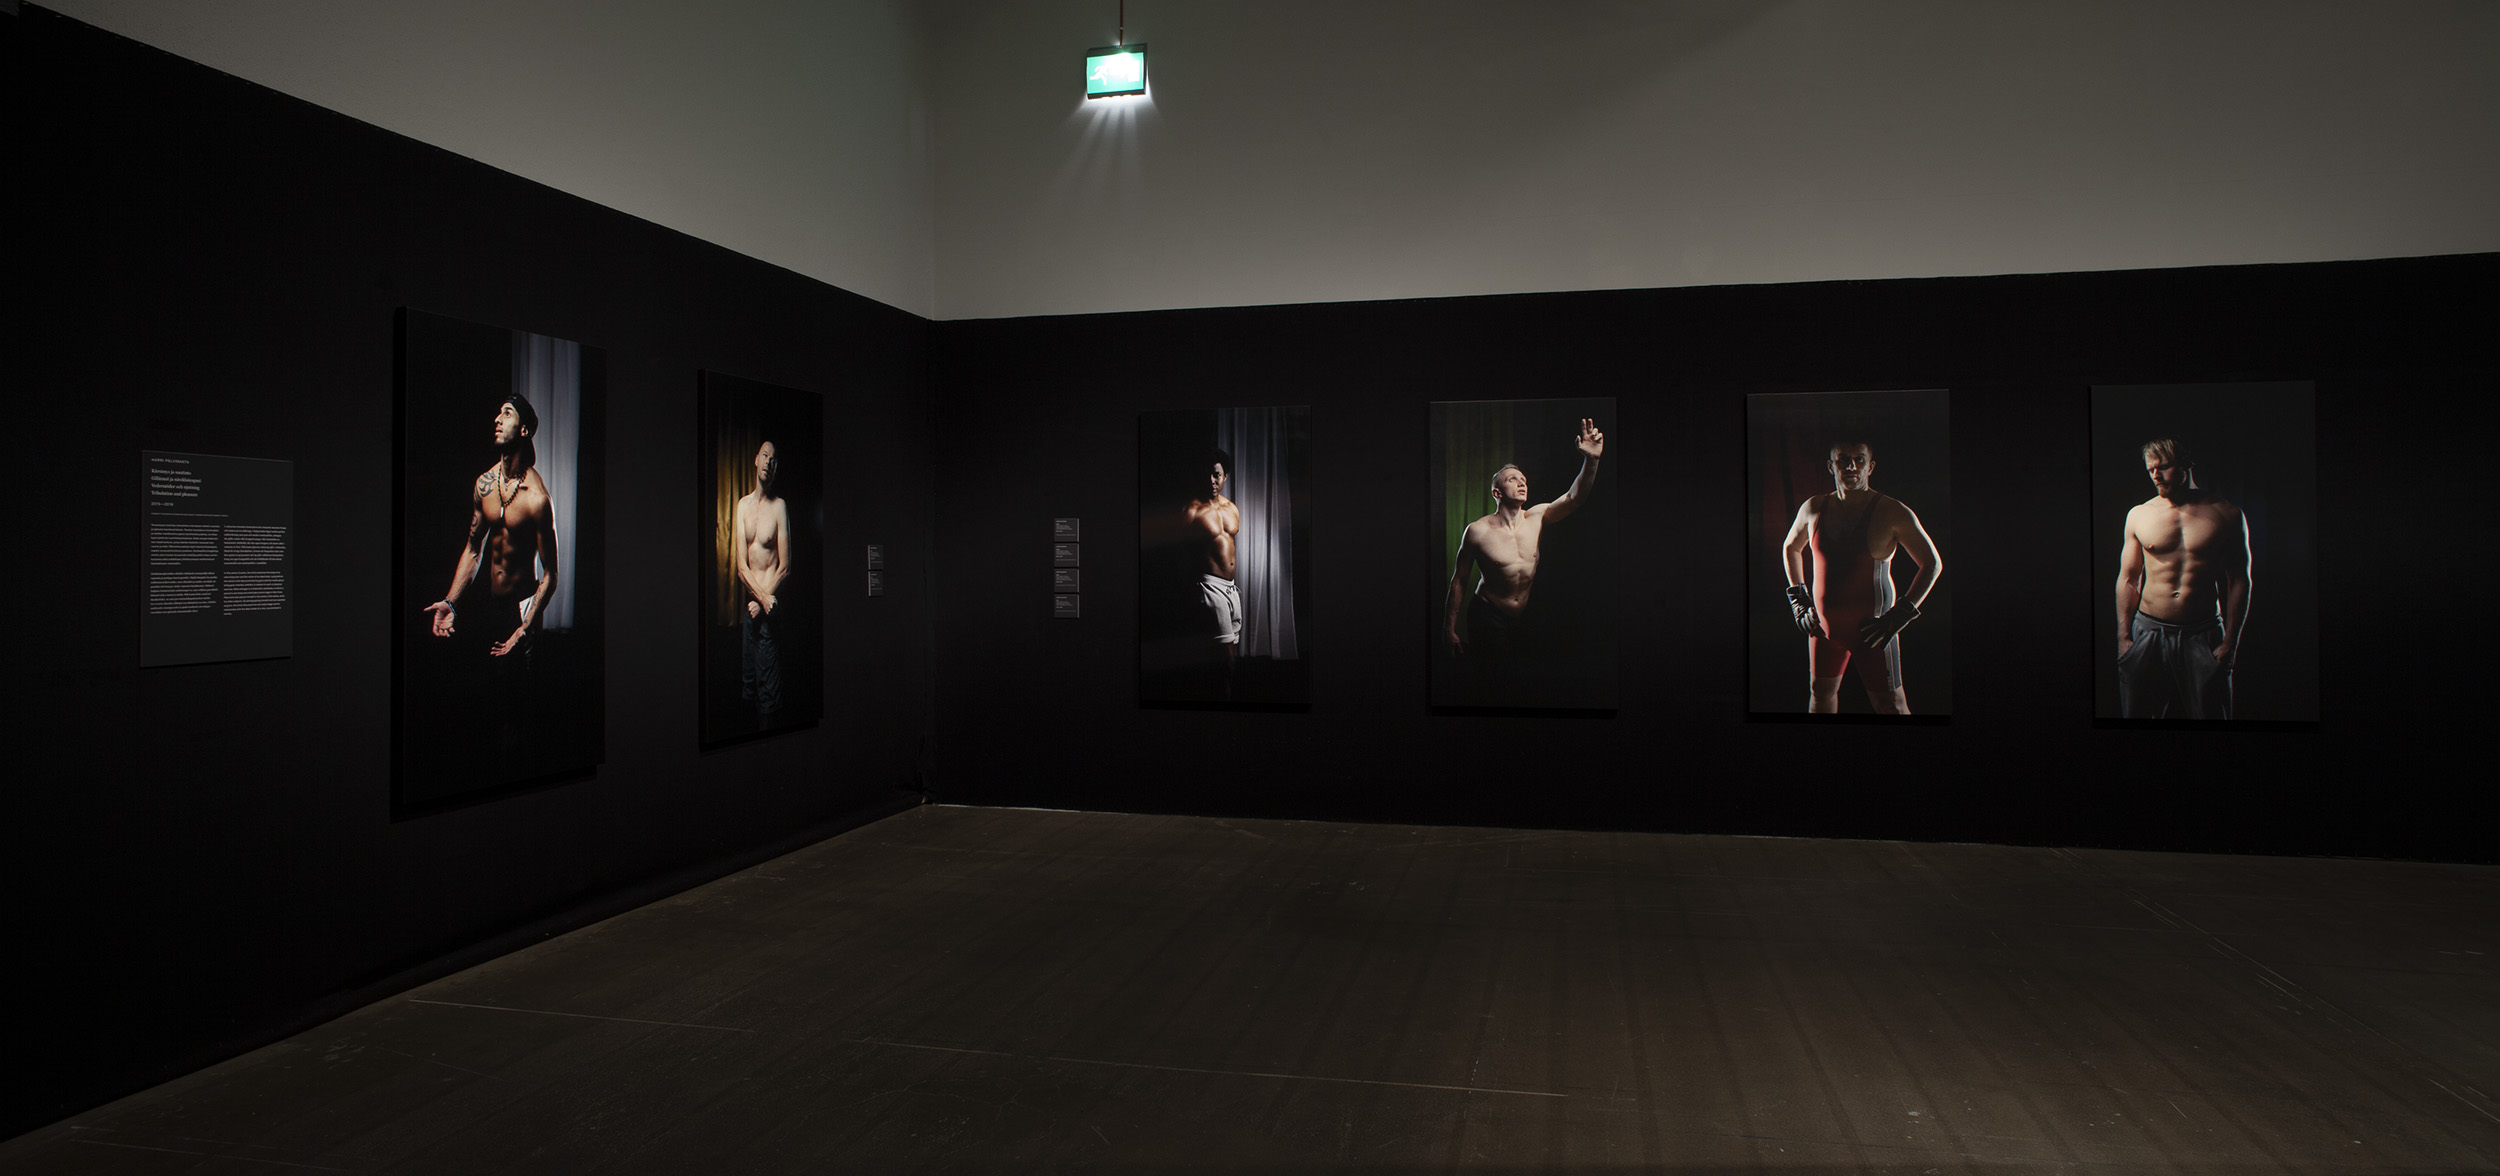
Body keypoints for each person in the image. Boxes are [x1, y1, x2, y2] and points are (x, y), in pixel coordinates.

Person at [421, 394, 560, 754]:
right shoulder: (484, 484)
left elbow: (551, 574)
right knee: (487, 701)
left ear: (524, 429)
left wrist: (525, 627)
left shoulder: (536, 499)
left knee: (520, 707)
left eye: (507, 414)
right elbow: (473, 549)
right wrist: (451, 601)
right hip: (490, 605)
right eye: (498, 413)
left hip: (521, 609)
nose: (497, 419)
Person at [1778, 441, 1942, 714]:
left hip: (1874, 633)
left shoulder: (1892, 511)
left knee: (1891, 704)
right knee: (1820, 694)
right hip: (1824, 629)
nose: (1851, 466)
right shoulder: (1814, 507)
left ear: (1870, 466)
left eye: (1859, 459)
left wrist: (1901, 614)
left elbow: (1932, 563)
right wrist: (1799, 599)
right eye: (1843, 459)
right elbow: (1791, 547)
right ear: (1831, 466)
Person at [1444, 419, 1605, 677]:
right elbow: (1459, 580)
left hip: (1525, 615)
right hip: (1488, 614)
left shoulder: (1536, 517)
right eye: (1513, 479)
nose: (1522, 483)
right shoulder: (1478, 531)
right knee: (1490, 680)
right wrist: (1449, 628)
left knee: (1526, 679)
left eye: (1524, 480)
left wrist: (1592, 460)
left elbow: (1574, 498)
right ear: (1497, 493)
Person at [2115, 437, 2248, 719]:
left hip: (2203, 633)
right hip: (2148, 632)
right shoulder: (2139, 515)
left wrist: (2231, 642)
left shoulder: (2226, 514)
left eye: (2163, 467)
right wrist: (2123, 637)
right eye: (2150, 469)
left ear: (2186, 464)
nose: (2155, 475)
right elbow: (2128, 578)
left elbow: (2239, 580)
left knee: (2213, 717)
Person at [735, 440, 794, 728]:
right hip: (751, 611)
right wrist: (760, 598)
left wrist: (765, 601)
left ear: (776, 467)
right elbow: (740, 566)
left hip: (770, 613)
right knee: (750, 689)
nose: (769, 463)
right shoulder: (742, 506)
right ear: (756, 459)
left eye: (774, 460)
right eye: (765, 456)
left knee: (769, 695)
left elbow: (785, 568)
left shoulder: (779, 507)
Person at [1186, 448, 1242, 695]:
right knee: (1227, 658)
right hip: (1210, 587)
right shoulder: (1192, 511)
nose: (1212, 480)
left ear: (1225, 477)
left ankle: (1222, 697)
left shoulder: (1232, 508)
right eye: (1208, 474)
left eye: (1217, 475)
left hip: (1232, 589)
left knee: (1228, 655)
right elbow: (1177, 553)